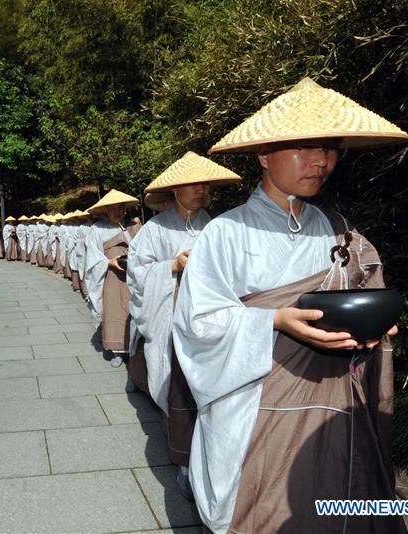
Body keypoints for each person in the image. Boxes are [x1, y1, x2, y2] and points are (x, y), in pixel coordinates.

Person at [172, 78, 408, 533]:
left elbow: (369, 284)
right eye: (304, 147)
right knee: (272, 509)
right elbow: (197, 324)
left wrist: (378, 322)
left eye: (330, 148)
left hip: (336, 399)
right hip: (260, 403)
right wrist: (275, 319)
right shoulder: (227, 232)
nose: (321, 161)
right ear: (263, 155)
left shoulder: (339, 230)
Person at [125, 152, 242, 495]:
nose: (200, 190)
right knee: (179, 389)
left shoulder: (220, 226)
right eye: (192, 183)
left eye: (205, 184)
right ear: (175, 190)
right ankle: (185, 462)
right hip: (173, 317)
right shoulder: (155, 229)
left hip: (213, 320)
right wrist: (172, 267)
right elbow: (138, 272)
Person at [84, 190, 141, 368]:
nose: (117, 212)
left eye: (121, 208)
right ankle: (116, 350)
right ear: (106, 210)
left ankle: (133, 348)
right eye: (113, 209)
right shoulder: (98, 229)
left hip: (133, 276)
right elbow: (92, 256)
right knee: (114, 310)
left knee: (133, 312)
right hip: (111, 276)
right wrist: (109, 262)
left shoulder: (133, 227)